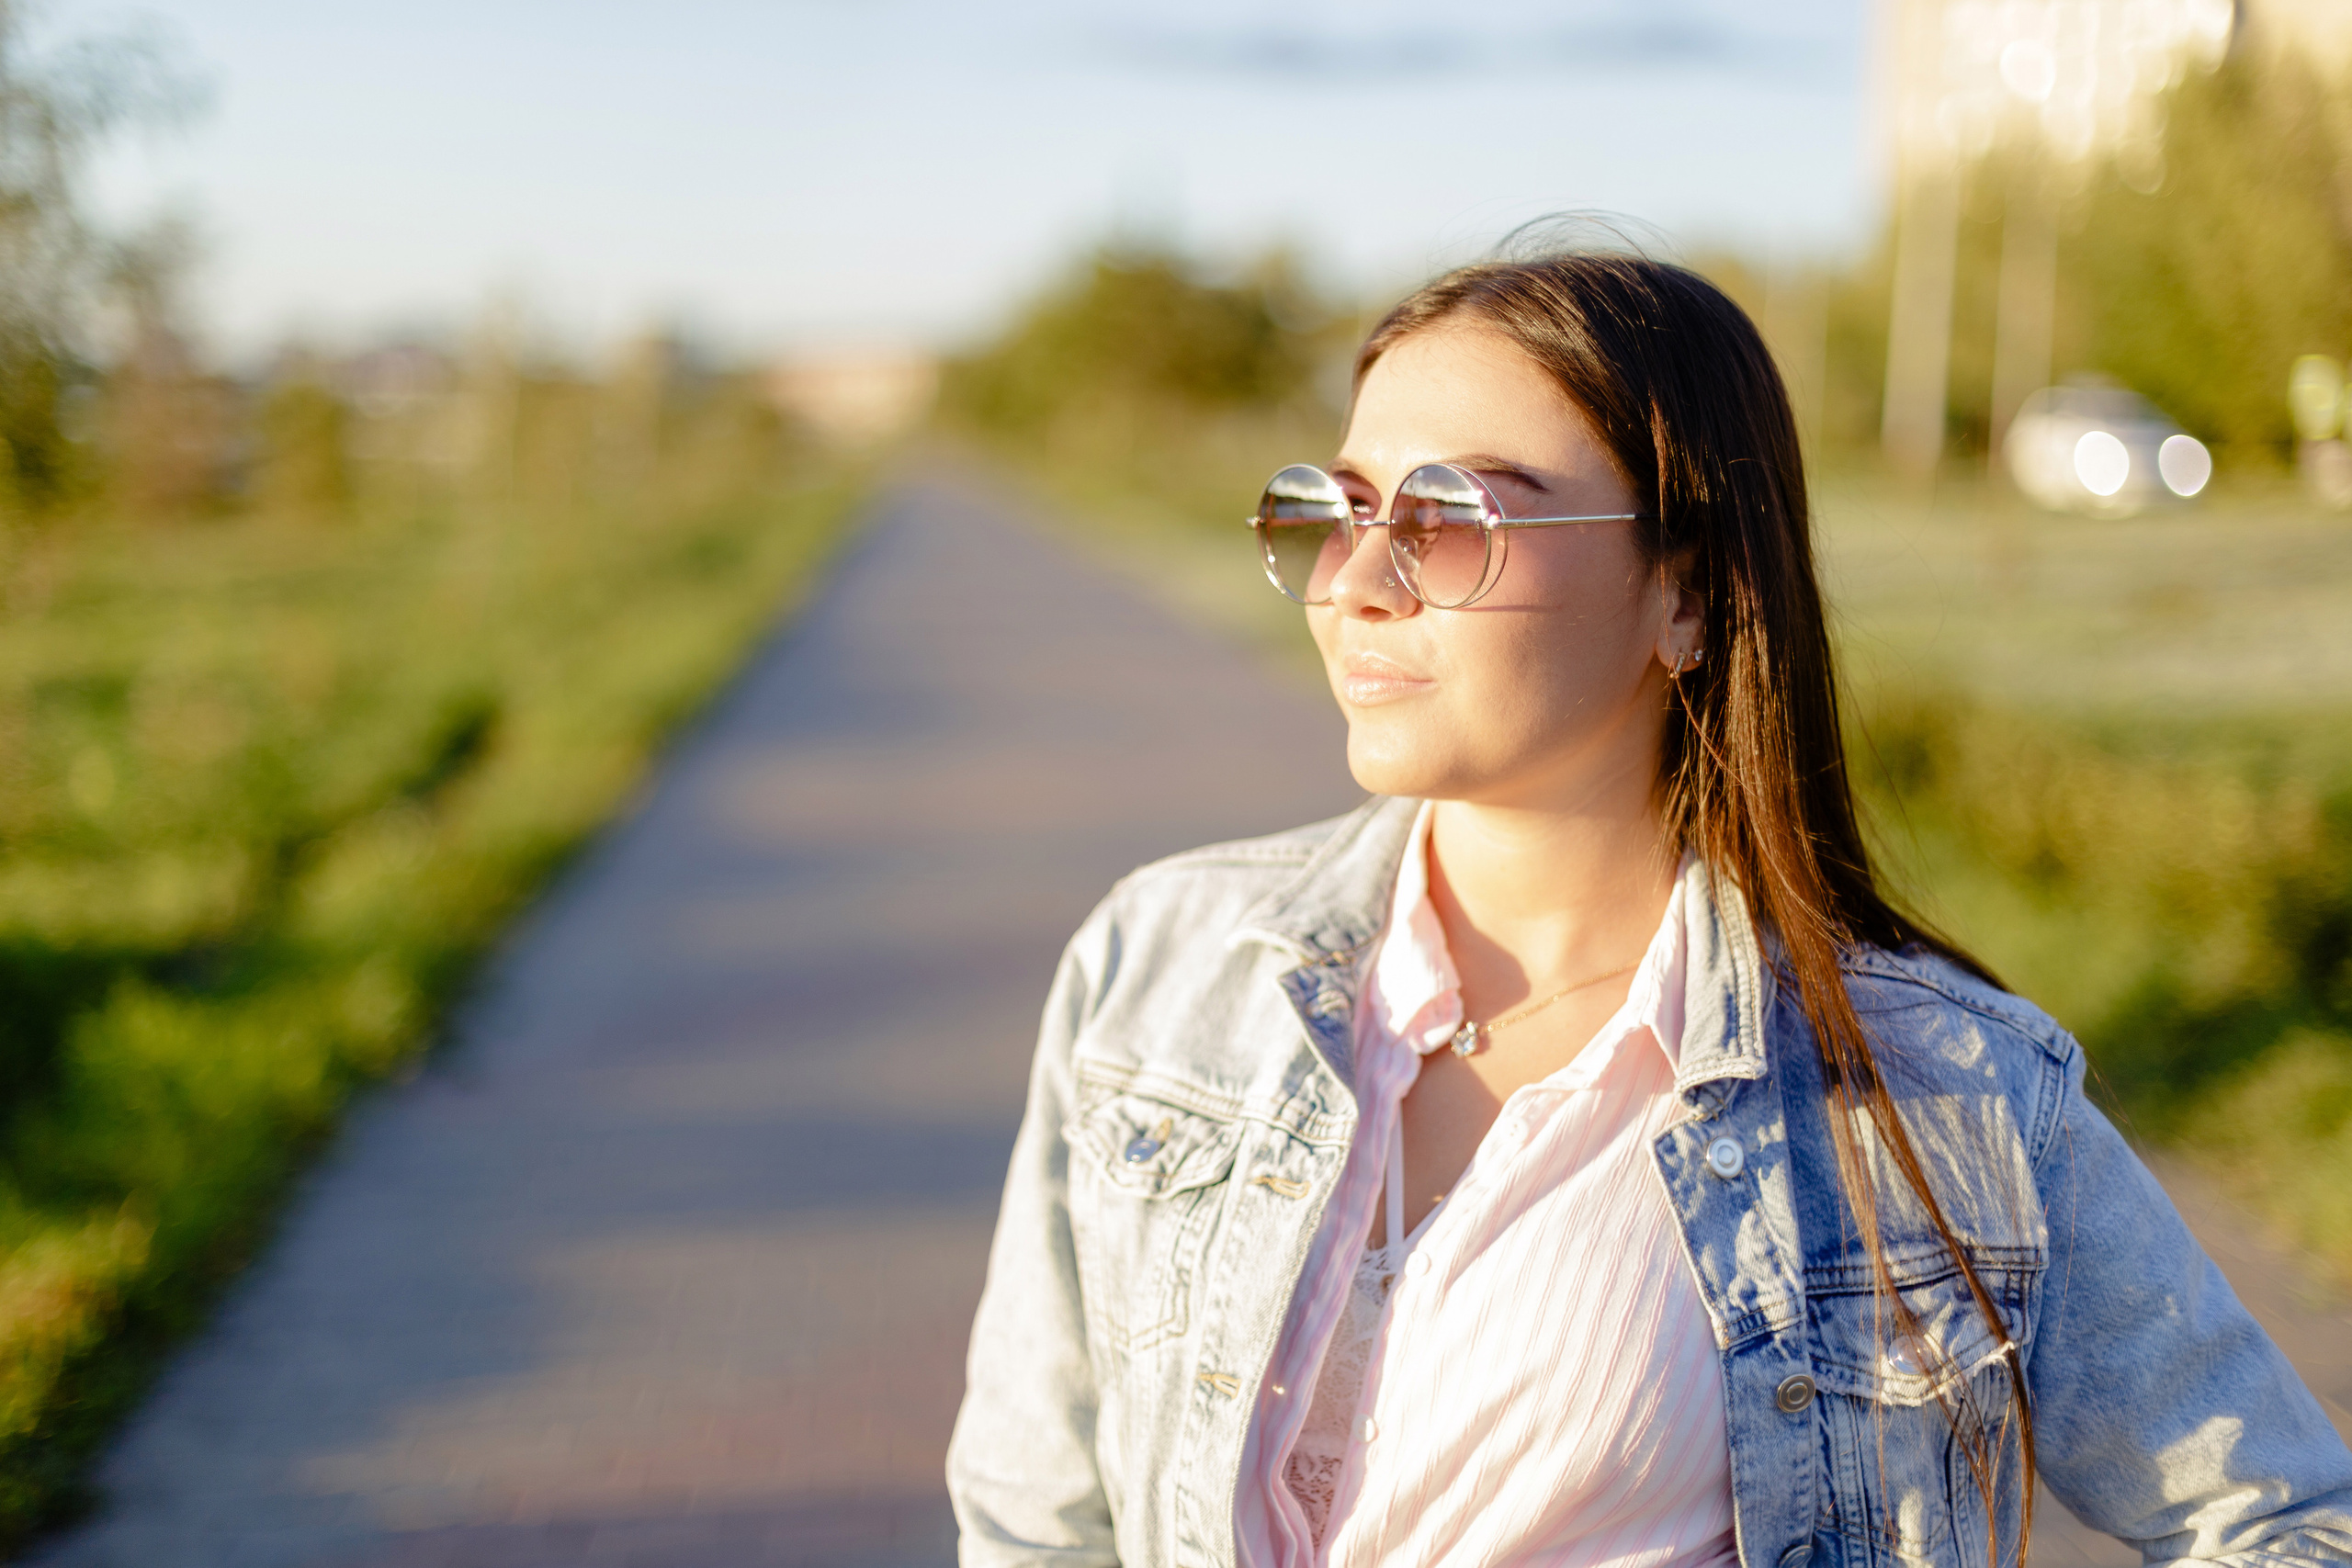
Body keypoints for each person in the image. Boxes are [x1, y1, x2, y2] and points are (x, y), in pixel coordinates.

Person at [944, 246, 2352, 1568]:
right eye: (1338, 508)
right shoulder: (1164, 966)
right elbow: (1034, 1525)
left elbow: (2286, 1521)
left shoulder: (1939, 1088)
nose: (1355, 583)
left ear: (1683, 593)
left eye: (1451, 518)